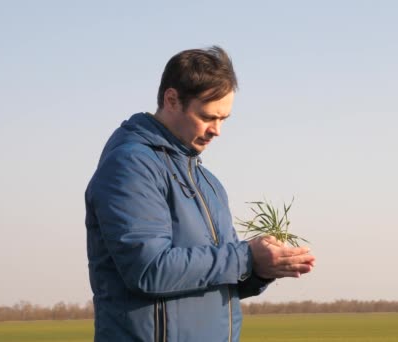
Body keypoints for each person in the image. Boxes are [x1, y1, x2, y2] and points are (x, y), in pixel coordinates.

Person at [85, 46, 315, 342]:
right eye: (208, 117)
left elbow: (222, 278)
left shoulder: (209, 184)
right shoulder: (131, 166)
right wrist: (246, 257)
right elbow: (148, 269)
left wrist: (261, 268)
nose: (217, 130)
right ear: (172, 100)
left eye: (224, 119)